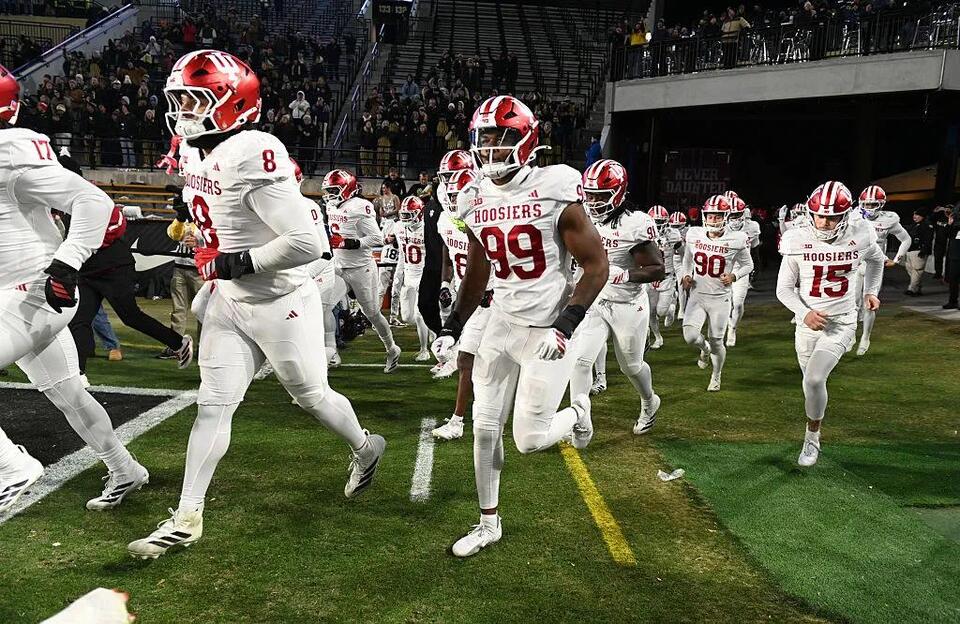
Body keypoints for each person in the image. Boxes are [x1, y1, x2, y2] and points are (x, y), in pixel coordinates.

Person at [127, 50, 386, 559]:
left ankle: (364, 447)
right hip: (230, 301)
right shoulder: (193, 148)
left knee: (310, 395)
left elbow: (307, 243)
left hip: (281, 301)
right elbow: (209, 205)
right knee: (213, 403)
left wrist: (232, 263)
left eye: (194, 99)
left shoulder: (253, 150)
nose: (182, 110)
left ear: (232, 102)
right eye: (178, 99)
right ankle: (187, 515)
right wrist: (197, 228)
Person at [430, 96, 609, 557]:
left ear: (525, 139)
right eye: (483, 138)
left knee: (528, 440)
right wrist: (452, 326)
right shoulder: (474, 198)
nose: (489, 147)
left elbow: (596, 265)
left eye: (499, 137)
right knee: (485, 427)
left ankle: (577, 414)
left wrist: (567, 325)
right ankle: (489, 522)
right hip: (501, 325)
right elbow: (476, 270)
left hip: (547, 330)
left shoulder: (555, 186)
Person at [0, 64, 148, 514]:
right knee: (71, 394)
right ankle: (124, 469)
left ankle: (11, 468)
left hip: (31, 292)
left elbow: (92, 200)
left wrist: (66, 263)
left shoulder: (7, 152)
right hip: (25, 296)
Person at [776, 182, 885, 466]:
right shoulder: (796, 239)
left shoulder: (860, 234)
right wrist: (803, 313)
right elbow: (784, 289)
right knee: (808, 384)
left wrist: (871, 291)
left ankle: (812, 438)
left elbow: (876, 260)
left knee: (814, 379)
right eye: (820, 215)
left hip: (842, 321)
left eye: (833, 216)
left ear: (846, 215)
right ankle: (814, 427)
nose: (824, 222)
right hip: (808, 325)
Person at [569, 160, 664, 435]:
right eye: (591, 194)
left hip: (628, 304)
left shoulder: (635, 224)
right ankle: (581, 421)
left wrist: (626, 275)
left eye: (601, 195)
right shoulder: (581, 217)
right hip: (595, 302)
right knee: (580, 361)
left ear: (619, 193)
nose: (595, 201)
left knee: (631, 366)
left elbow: (658, 269)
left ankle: (649, 401)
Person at [68, 204, 192, 379]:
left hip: (114, 267)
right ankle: (77, 375)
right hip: (87, 270)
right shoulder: (65, 205)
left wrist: (87, 240)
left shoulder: (96, 201)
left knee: (131, 316)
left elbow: (118, 224)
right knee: (79, 321)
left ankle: (178, 343)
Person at [322, 168, 402, 371]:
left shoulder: (361, 206)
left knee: (373, 313)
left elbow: (377, 239)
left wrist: (348, 243)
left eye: (334, 190)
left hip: (361, 268)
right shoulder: (331, 206)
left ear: (347, 189)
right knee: (324, 306)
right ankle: (331, 352)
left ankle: (392, 348)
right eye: (328, 191)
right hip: (339, 266)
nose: (330, 195)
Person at [432, 168, 485, 439]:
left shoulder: (490, 216)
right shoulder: (445, 221)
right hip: (474, 298)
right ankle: (458, 421)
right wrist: (446, 283)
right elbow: (449, 255)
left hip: (499, 298)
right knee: (467, 358)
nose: (455, 200)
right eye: (451, 194)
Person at [680, 195, 753, 392]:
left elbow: (748, 264)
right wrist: (686, 275)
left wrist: (734, 275)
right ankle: (704, 351)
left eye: (717, 216)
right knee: (690, 336)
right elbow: (687, 260)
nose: (713, 220)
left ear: (726, 216)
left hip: (720, 298)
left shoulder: (737, 239)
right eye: (710, 216)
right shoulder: (694, 234)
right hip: (697, 294)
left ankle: (716, 375)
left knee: (717, 340)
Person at [853, 185, 910, 355]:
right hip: (857, 263)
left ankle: (865, 336)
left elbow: (906, 239)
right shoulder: (853, 216)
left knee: (869, 303)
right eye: (866, 204)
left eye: (872, 204)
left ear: (881, 204)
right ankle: (850, 335)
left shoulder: (888, 219)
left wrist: (897, 259)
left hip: (875, 264)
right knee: (852, 302)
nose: (869, 208)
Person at [395, 196, 432, 359]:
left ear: (419, 213)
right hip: (409, 276)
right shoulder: (398, 228)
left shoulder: (428, 228)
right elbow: (402, 254)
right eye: (403, 215)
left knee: (419, 315)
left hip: (424, 276)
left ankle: (424, 350)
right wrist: (398, 276)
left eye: (409, 215)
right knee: (407, 317)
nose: (405, 219)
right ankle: (431, 327)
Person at [724, 191, 761, 347]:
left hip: (741, 269)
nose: (735, 218)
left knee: (737, 303)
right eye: (732, 215)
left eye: (738, 214)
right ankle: (727, 326)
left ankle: (733, 328)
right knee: (725, 303)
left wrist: (754, 268)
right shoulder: (721, 227)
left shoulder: (752, 226)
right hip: (723, 269)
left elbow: (755, 247)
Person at [646, 205, 682, 350]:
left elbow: (682, 252)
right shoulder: (642, 233)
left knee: (661, 311)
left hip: (666, 277)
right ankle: (658, 337)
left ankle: (672, 304)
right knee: (651, 312)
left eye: (660, 221)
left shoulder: (674, 235)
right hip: (649, 277)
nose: (658, 225)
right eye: (655, 221)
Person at [904, 210, 933, 296]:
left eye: (917, 215)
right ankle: (917, 288)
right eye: (914, 214)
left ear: (923, 216)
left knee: (917, 271)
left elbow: (928, 239)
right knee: (911, 270)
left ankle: (912, 289)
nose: (915, 217)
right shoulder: (913, 225)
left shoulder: (927, 225)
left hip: (919, 251)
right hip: (910, 250)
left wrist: (924, 250)